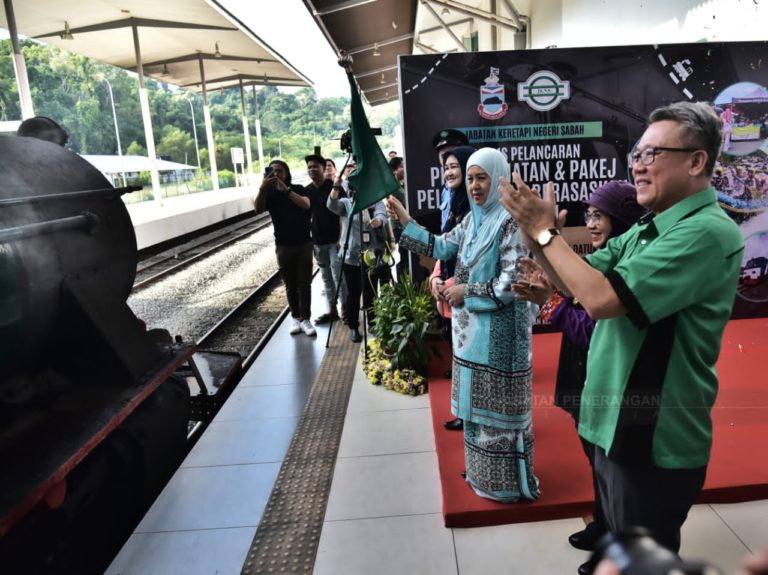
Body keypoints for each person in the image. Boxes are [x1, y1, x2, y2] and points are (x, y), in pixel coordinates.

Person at [500, 101, 744, 556]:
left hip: (651, 434)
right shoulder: (650, 227)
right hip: (614, 421)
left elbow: (599, 299)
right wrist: (534, 231)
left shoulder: (706, 233)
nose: (638, 165)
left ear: (697, 161)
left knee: (640, 561)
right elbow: (576, 281)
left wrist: (547, 234)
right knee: (618, 550)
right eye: (637, 153)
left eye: (653, 154)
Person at [389, 147, 540, 503]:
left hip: (503, 338)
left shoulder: (510, 223)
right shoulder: (473, 220)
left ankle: (506, 485)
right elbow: (442, 247)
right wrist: (406, 223)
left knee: (498, 414)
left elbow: (511, 283)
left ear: (498, 178)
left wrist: (464, 291)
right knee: (476, 413)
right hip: (472, 336)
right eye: (470, 178)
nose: (474, 185)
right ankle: (481, 475)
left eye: (481, 178)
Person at [512, 181, 644, 575]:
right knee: (596, 459)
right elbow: (573, 297)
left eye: (599, 215)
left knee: (611, 468)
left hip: (602, 375)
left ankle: (615, 542)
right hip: (580, 372)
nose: (591, 224)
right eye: (588, 215)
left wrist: (550, 301)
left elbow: (591, 328)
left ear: (621, 219)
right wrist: (550, 281)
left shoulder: (625, 267)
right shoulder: (602, 258)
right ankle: (603, 525)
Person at [428, 145, 475, 432]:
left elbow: (478, 261)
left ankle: (473, 414)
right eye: (446, 167)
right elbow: (445, 245)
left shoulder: (478, 210)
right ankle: (465, 411)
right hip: (450, 291)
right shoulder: (455, 202)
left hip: (469, 297)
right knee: (459, 354)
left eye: (455, 166)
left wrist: (452, 284)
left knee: (469, 356)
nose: (449, 172)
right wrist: (435, 276)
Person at [254, 160, 316, 337]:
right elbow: (257, 209)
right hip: (282, 245)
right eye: (272, 171)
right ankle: (295, 317)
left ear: (287, 173)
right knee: (290, 284)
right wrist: (263, 188)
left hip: (304, 243)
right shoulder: (269, 194)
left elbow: (305, 205)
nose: (276, 174)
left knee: (304, 283)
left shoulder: (299, 188)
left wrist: (287, 191)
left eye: (280, 171)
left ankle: (306, 318)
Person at [327, 169, 388, 343]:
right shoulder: (347, 203)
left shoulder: (375, 202)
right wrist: (336, 186)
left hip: (371, 255)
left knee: (371, 291)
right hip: (350, 256)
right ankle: (354, 326)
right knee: (353, 293)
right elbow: (331, 206)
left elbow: (382, 216)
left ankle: (373, 323)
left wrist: (377, 219)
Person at [304, 148, 342, 325]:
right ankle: (332, 310)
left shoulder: (333, 187)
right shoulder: (306, 191)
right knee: (326, 278)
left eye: (315, 166)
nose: (312, 169)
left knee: (338, 276)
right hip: (318, 242)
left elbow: (342, 215)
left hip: (335, 241)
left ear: (323, 168)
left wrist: (340, 240)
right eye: (309, 167)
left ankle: (348, 311)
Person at [387, 156, 408, 279]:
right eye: (402, 167)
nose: (404, 169)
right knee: (404, 257)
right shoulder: (393, 187)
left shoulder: (400, 185)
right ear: (395, 170)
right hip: (399, 227)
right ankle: (402, 284)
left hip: (403, 226)